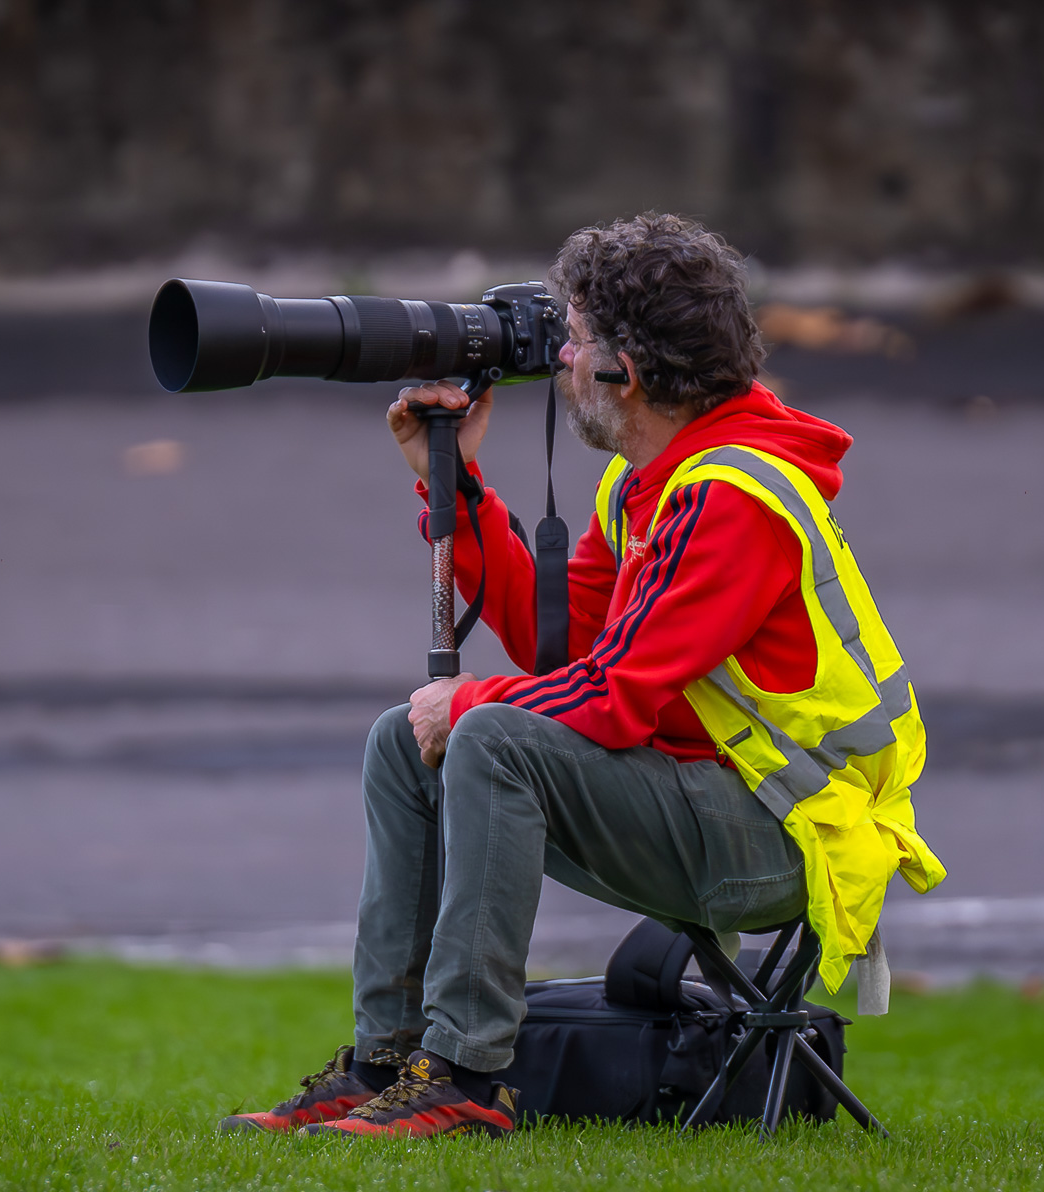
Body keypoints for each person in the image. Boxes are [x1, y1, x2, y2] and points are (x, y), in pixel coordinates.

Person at [221, 213, 945, 1139]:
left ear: (624, 374)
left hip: (787, 837)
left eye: (574, 341)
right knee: (403, 742)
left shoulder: (733, 499)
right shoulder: (651, 479)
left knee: (489, 735)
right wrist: (456, 484)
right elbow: (559, 645)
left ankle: (465, 1074)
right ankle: (386, 1062)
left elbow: (616, 695)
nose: (558, 360)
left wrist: (472, 700)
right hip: (710, 799)